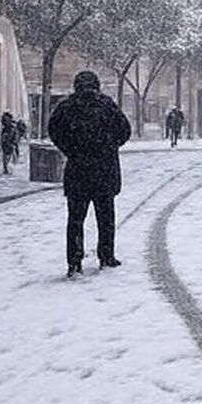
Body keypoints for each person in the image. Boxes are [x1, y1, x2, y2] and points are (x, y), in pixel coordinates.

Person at [49, 71, 132, 277]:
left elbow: (53, 131)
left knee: (76, 219)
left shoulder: (66, 107)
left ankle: (75, 261)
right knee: (106, 217)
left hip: (78, 171)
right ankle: (106, 256)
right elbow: (125, 130)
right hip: (104, 170)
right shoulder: (107, 105)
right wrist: (109, 146)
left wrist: (70, 149)